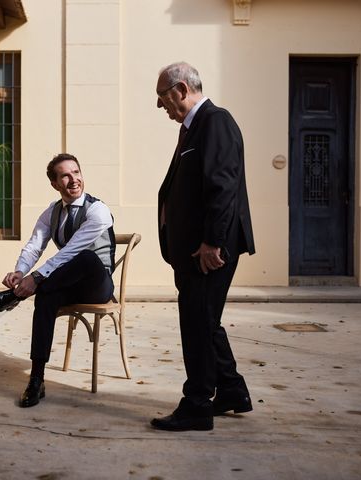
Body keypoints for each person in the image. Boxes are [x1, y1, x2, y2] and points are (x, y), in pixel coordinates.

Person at [151, 62, 255, 431]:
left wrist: (213, 241)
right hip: (196, 250)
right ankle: (231, 391)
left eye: (163, 97)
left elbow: (223, 186)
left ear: (180, 89)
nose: (161, 106)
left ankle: (197, 404)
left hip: (209, 251)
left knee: (197, 323)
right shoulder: (193, 128)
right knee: (205, 322)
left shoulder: (216, 122)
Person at [0, 153, 116, 408]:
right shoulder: (52, 212)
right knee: (45, 298)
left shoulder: (98, 210)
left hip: (98, 285)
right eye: (65, 175)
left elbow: (71, 251)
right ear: (55, 184)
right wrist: (20, 272)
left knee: (86, 257)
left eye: (76, 172)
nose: (73, 179)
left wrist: (35, 278)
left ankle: (15, 296)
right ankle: (37, 380)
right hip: (64, 284)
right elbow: (35, 245)